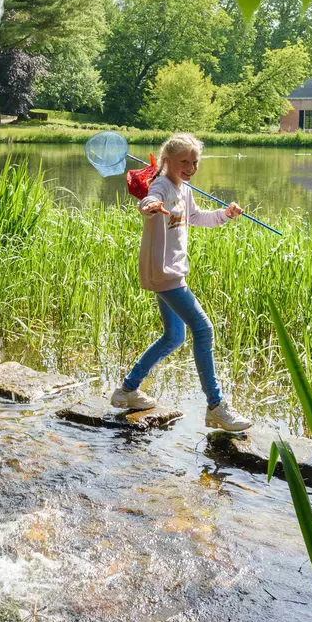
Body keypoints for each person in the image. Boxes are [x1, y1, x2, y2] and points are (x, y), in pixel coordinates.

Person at [109, 133, 252, 432]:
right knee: (204, 329)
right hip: (164, 272)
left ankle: (127, 390)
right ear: (167, 162)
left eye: (194, 162)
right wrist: (149, 206)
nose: (190, 167)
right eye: (184, 161)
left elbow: (198, 217)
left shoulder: (183, 188)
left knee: (174, 337)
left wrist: (225, 214)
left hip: (172, 271)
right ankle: (216, 406)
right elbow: (150, 198)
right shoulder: (161, 185)